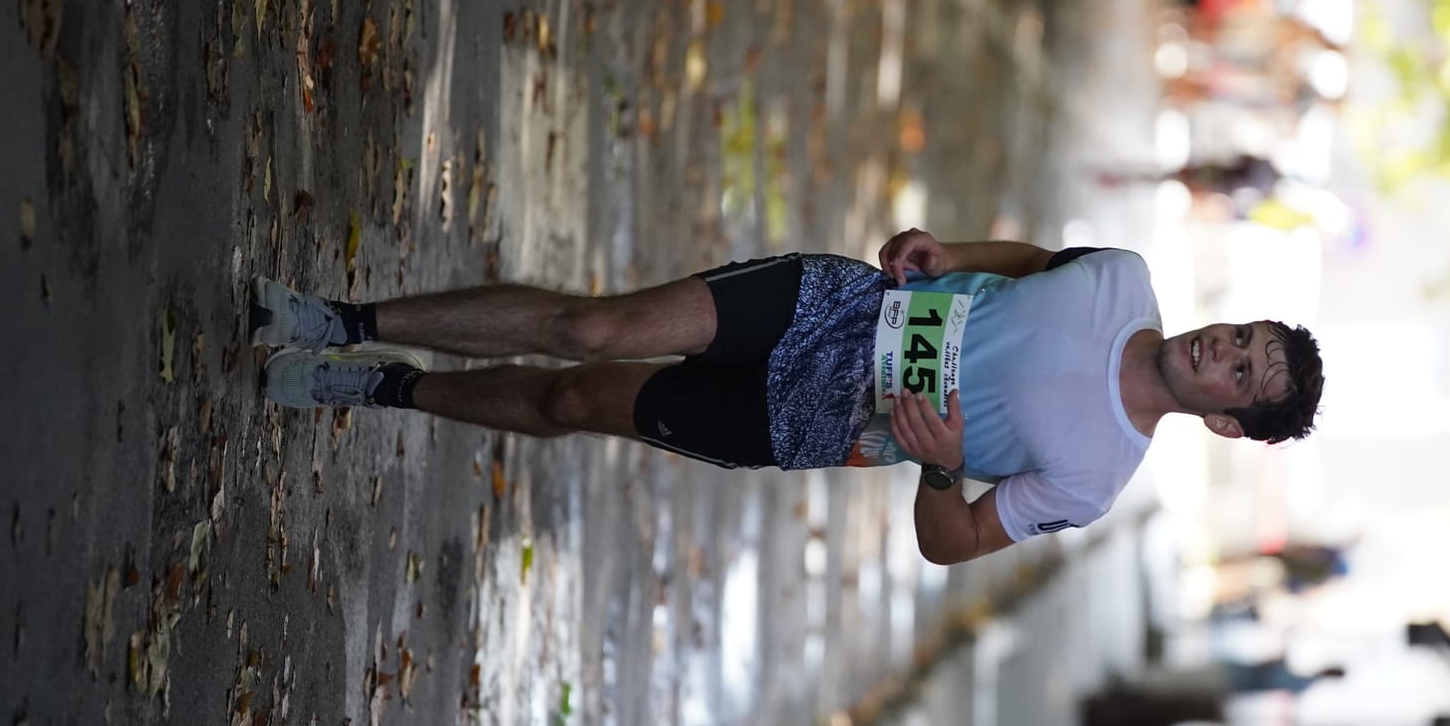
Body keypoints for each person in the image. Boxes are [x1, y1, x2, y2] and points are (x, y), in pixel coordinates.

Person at [252, 230, 1324, 565]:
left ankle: (389, 389)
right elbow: (1034, 255)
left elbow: (950, 544)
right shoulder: (1122, 275)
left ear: (1226, 420)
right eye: (1243, 335)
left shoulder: (1094, 479)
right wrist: (949, 250)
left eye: (1241, 371)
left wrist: (942, 460)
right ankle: (345, 319)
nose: (1221, 347)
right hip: (830, 311)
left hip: (822, 420)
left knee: (579, 398)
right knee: (595, 327)